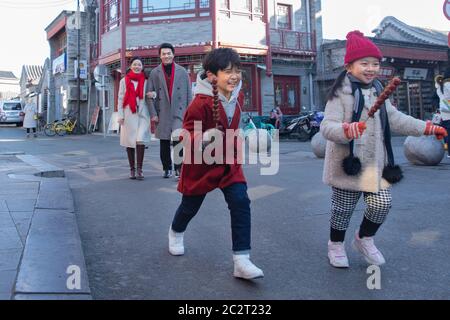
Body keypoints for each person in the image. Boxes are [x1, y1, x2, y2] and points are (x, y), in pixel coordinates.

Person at [321, 31, 448, 268]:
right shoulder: (340, 94)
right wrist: (346, 129)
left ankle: (364, 238)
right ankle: (335, 245)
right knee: (342, 210)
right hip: (347, 163)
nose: (371, 68)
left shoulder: (379, 90)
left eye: (375, 64)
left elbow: (396, 119)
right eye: (364, 63)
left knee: (382, 205)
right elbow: (327, 127)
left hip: (375, 164)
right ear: (349, 66)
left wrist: (429, 128)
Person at [168, 48, 264, 280]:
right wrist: (203, 139)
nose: (234, 76)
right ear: (211, 76)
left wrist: (252, 136)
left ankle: (242, 260)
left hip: (229, 162)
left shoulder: (238, 96)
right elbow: (184, 137)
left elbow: (234, 126)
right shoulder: (199, 104)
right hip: (201, 164)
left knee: (241, 202)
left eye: (237, 71)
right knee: (190, 206)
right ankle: (176, 232)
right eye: (227, 71)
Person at [147, 43, 192, 179]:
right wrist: (153, 114)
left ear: (173, 54)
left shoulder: (182, 71)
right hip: (163, 111)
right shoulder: (155, 72)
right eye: (163, 54)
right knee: (164, 142)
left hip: (179, 111)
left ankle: (179, 168)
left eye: (168, 53)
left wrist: (189, 112)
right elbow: (149, 94)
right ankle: (167, 168)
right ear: (160, 56)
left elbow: (189, 93)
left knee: (178, 141)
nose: (166, 56)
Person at [117, 57, 156, 180]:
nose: (137, 66)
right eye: (135, 64)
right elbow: (120, 98)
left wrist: (153, 94)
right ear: (131, 66)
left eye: (139, 64)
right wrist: (120, 115)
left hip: (143, 113)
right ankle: (132, 170)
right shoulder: (124, 80)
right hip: (129, 113)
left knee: (140, 140)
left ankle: (140, 169)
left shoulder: (146, 80)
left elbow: (153, 93)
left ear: (142, 66)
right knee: (130, 142)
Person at [435, 69, 450, 157]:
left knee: (446, 134)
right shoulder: (448, 85)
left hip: (444, 113)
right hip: (449, 113)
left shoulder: (440, 86)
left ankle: (448, 151)